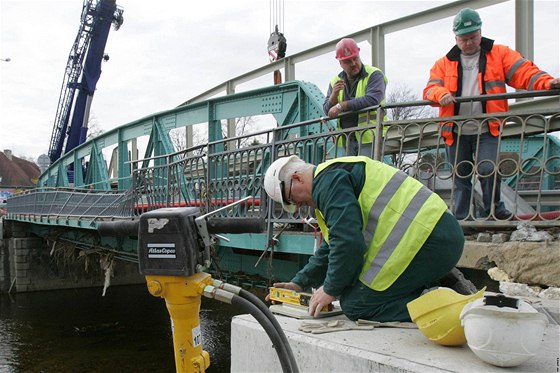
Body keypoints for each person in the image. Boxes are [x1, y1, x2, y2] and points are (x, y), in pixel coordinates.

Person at [263, 155, 473, 322]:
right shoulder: (334, 176)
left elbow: (348, 243)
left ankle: (447, 303)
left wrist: (330, 289)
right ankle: (438, 279)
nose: (297, 206)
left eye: (292, 199)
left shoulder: (328, 184)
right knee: (355, 290)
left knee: (357, 305)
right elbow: (331, 246)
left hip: (430, 241)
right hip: (437, 237)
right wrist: (299, 283)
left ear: (297, 178)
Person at [423, 8, 560, 221]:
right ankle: (462, 218)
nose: (469, 43)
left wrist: (548, 82)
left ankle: (493, 211)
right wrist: (441, 94)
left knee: (488, 169)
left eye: (473, 37)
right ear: (455, 37)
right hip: (455, 130)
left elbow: (524, 72)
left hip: (487, 127)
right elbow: (430, 89)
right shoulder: (443, 63)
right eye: (464, 39)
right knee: (461, 175)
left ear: (480, 33)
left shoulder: (499, 54)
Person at [323, 38, 388, 157]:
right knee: (349, 174)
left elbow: (372, 99)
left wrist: (341, 105)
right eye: (348, 61)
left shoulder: (374, 74)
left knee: (367, 173)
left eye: (355, 58)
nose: (353, 63)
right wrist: (333, 97)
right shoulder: (335, 81)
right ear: (340, 63)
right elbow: (328, 111)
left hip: (371, 136)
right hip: (346, 139)